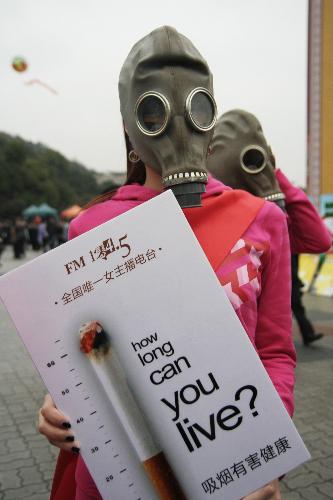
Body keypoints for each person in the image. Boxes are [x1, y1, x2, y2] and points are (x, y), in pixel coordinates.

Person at [38, 27, 295, 500]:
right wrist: (56, 404)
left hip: (230, 467)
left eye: (196, 105)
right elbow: (83, 357)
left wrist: (268, 458)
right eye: (153, 110)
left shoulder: (263, 221)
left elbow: (274, 353)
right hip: (121, 475)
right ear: (132, 129)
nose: (178, 122)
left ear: (211, 116)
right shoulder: (90, 230)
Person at [207, 109, 332, 346]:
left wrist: (273, 175)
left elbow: (319, 240)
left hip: (266, 360)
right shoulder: (208, 216)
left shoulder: (267, 221)